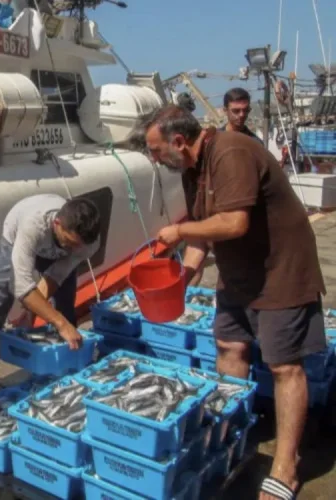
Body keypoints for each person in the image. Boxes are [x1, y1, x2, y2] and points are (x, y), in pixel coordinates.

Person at [144, 104, 325, 500]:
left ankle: (286, 466)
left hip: (281, 271)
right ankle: (229, 430)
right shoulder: (192, 170)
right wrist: (181, 280)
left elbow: (233, 222)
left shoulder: (231, 150)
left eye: (155, 151)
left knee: (284, 366)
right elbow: (201, 240)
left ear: (178, 141)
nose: (154, 159)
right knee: (228, 344)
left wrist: (177, 230)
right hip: (238, 275)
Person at [0, 194, 101, 395]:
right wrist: (59, 322)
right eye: (69, 242)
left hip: (53, 254)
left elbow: (56, 275)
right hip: (16, 240)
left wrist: (37, 310)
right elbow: (21, 286)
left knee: (65, 302)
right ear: (57, 223)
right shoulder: (33, 226)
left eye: (77, 246)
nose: (73, 249)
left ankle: (67, 360)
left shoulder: (88, 243)